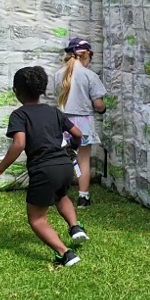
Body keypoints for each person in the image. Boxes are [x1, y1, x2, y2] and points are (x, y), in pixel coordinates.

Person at [0, 66, 90, 267]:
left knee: (37, 218)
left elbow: (19, 143)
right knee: (61, 196)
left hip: (44, 170)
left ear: (16, 91)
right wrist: (72, 149)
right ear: (42, 90)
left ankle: (65, 253)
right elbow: (78, 134)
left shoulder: (19, 115)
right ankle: (75, 227)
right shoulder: (53, 111)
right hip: (65, 165)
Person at [53, 38, 107, 209]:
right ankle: (83, 197)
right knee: (83, 159)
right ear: (86, 56)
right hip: (82, 122)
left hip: (62, 121)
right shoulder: (90, 76)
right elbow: (98, 104)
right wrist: (103, 109)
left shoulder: (58, 75)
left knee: (63, 158)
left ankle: (58, 193)